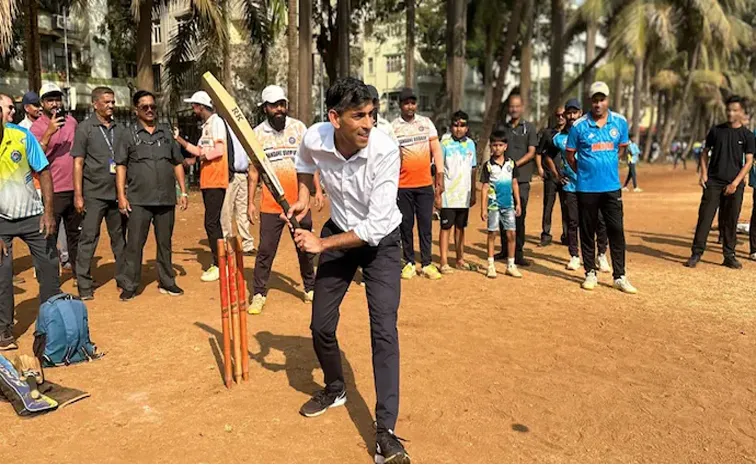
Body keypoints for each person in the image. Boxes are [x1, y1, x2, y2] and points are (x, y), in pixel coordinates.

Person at [286, 77, 409, 464]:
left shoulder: (385, 150)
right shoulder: (316, 137)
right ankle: (336, 386)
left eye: (372, 115)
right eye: (359, 116)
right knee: (321, 325)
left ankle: (385, 432)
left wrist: (320, 244)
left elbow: (373, 228)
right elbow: (304, 164)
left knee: (383, 331)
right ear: (334, 118)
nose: (368, 124)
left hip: (382, 243)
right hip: (340, 228)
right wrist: (305, 196)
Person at [247, 85, 317, 315]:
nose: (279, 109)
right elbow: (254, 172)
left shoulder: (299, 128)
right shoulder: (256, 134)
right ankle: (258, 293)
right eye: (274, 105)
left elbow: (310, 163)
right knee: (266, 250)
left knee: (305, 247)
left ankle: (310, 287)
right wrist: (250, 203)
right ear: (265, 108)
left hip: (298, 202)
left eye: (282, 104)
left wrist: (318, 191)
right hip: (271, 204)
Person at [115, 90, 188, 301]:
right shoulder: (128, 135)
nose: (149, 110)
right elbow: (121, 166)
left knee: (165, 243)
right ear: (135, 109)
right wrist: (121, 195)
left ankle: (167, 281)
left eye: (153, 107)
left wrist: (182, 191)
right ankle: (131, 284)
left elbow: (177, 163)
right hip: (139, 200)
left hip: (165, 198)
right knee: (135, 243)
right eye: (144, 107)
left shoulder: (165, 133)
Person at [0, 93, 60, 350]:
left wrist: (48, 213)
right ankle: (4, 331)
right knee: (2, 274)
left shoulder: (22, 137)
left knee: (49, 269)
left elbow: (44, 171)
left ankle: (51, 327)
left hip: (32, 214)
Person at [565, 82, 637, 293]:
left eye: (602, 99)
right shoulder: (579, 126)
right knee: (587, 231)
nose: (598, 104)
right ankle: (590, 273)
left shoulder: (620, 123)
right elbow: (570, 155)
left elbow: (621, 148)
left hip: (611, 187)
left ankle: (620, 276)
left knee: (616, 230)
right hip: (586, 188)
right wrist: (585, 171)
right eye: (595, 100)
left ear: (608, 100)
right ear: (590, 101)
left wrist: (606, 168)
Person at [685, 95, 755, 269]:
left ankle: (729, 255)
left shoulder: (747, 135)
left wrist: (735, 183)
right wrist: (704, 174)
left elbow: (748, 162)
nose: (730, 113)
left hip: (735, 184)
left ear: (742, 112)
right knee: (705, 218)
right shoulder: (716, 131)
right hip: (714, 182)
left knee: (731, 220)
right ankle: (696, 253)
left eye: (734, 110)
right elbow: (704, 153)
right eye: (728, 110)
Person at [71, 86, 128, 300]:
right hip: (93, 194)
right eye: (106, 102)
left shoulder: (120, 129)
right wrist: (78, 195)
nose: (111, 105)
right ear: (95, 104)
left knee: (119, 239)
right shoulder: (85, 128)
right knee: (88, 238)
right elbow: (78, 163)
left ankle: (123, 279)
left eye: (113, 102)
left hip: (116, 194)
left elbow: (124, 162)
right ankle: (84, 285)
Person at [544, 98, 610, 271]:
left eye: (575, 112)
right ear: (565, 115)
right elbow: (548, 155)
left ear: (581, 113)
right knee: (573, 222)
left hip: (594, 186)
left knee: (600, 222)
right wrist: (557, 175)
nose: (572, 116)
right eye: (569, 113)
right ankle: (574, 256)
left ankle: (601, 254)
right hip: (571, 187)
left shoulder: (590, 131)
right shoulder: (559, 138)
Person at [175, 91, 228, 282]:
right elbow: (199, 150)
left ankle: (219, 264)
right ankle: (222, 261)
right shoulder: (206, 126)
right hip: (208, 180)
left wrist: (201, 157)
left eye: (194, 106)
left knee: (211, 223)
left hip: (216, 179)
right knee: (213, 222)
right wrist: (180, 141)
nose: (193, 110)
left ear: (201, 106)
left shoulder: (216, 123)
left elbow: (220, 150)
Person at [391, 87, 444, 280]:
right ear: (400, 105)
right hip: (402, 186)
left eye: (412, 103)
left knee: (425, 225)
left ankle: (427, 263)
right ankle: (410, 262)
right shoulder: (393, 127)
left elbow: (436, 150)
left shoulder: (426, 123)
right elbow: (392, 157)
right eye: (406, 103)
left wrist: (439, 174)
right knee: (406, 224)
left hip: (424, 185)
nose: (410, 106)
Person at [29, 83, 81, 279]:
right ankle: (50, 276)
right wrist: (49, 131)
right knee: (49, 234)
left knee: (76, 235)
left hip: (74, 187)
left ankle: (79, 275)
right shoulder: (36, 128)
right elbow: (35, 159)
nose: (54, 103)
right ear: (42, 103)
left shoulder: (72, 122)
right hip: (53, 190)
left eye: (57, 98)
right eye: (50, 100)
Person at [499, 93, 537, 266]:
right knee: (502, 213)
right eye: (511, 106)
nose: (514, 109)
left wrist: (514, 164)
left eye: (517, 106)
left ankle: (518, 252)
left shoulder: (529, 128)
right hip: (502, 179)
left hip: (521, 179)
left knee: (518, 215)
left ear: (522, 108)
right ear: (508, 108)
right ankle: (505, 249)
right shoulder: (502, 128)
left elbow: (531, 152)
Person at [438, 110, 477, 274]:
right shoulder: (445, 142)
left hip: (464, 194)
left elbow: (474, 168)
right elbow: (439, 169)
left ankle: (460, 259)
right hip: (448, 194)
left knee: (460, 228)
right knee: (446, 227)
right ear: (451, 126)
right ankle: (443, 261)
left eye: (462, 126)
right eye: (455, 125)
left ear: (467, 128)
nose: (458, 129)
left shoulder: (470, 144)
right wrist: (437, 191)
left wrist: (473, 192)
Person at [480, 130, 522, 279]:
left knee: (511, 233)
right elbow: (485, 187)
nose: (497, 148)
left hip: (508, 204)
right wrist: (483, 208)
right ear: (491, 147)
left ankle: (511, 264)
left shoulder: (511, 164)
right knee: (492, 233)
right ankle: (490, 265)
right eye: (494, 145)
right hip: (493, 206)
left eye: (500, 145)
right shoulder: (488, 166)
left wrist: (518, 203)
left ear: (505, 146)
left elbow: (515, 183)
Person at [218, 118, 256, 256]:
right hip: (230, 174)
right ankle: (227, 243)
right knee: (226, 210)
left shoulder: (242, 128)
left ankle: (246, 243)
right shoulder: (222, 126)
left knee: (242, 210)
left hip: (243, 174)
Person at [536, 106, 567, 247]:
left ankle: (567, 236)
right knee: (548, 205)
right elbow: (539, 152)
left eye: (563, 115)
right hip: (550, 176)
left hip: (567, 177)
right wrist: (540, 169)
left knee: (566, 207)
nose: (560, 118)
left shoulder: (572, 133)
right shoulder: (548, 134)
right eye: (558, 115)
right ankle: (546, 234)